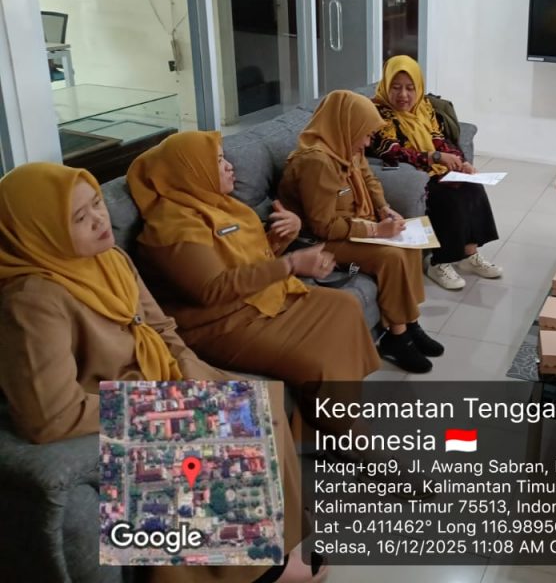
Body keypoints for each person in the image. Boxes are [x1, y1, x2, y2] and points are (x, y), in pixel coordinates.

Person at [0, 162, 324, 583]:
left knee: (259, 401)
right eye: (79, 217)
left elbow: (161, 327)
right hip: (111, 401)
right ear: (41, 232)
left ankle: (278, 540)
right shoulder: (33, 299)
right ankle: (255, 571)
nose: (99, 219)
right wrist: (171, 405)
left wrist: (194, 374)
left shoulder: (110, 258)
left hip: (159, 377)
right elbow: (50, 415)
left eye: (97, 203)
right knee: (226, 424)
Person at [125, 131, 381, 431]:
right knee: (316, 357)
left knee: (345, 307)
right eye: (218, 161)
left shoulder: (220, 205)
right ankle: (341, 430)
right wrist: (291, 264)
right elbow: (213, 289)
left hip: (258, 298)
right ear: (192, 170)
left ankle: (334, 417)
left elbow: (248, 261)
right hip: (221, 323)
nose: (229, 166)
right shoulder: (171, 226)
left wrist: (283, 236)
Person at [277, 90, 442, 374]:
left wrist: (384, 208)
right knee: (390, 255)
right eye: (365, 135)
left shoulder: (346, 145)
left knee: (409, 244)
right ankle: (397, 338)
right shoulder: (316, 162)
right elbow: (324, 226)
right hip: (319, 240)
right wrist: (376, 230)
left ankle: (411, 324)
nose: (367, 143)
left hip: (350, 225)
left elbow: (368, 177)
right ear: (346, 125)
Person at [370, 55, 501, 290]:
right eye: (396, 87)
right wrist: (434, 158)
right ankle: (438, 262)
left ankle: (469, 255)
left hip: (434, 168)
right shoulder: (377, 112)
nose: (403, 95)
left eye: (410, 88)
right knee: (447, 196)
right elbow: (390, 150)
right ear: (386, 85)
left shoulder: (424, 107)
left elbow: (439, 139)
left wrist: (461, 163)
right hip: (415, 172)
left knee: (471, 185)